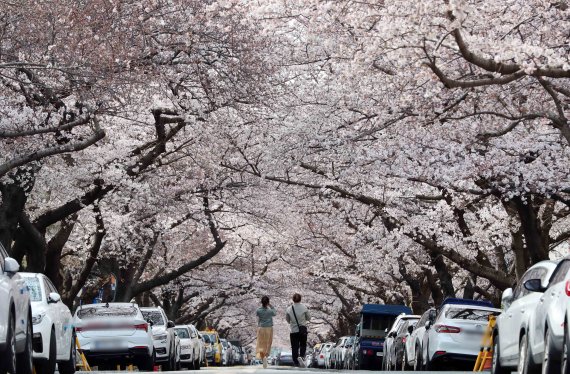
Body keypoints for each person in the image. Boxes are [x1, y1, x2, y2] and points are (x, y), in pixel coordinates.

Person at [286, 293, 311, 367]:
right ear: (300, 299)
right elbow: (309, 318)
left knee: (294, 347)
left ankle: (296, 361)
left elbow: (287, 320)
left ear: (293, 299)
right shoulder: (304, 307)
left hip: (293, 331)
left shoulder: (289, 309)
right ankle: (302, 356)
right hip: (302, 330)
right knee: (303, 344)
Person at [255, 295, 276, 369]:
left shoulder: (258, 310)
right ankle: (266, 356)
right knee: (268, 343)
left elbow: (257, 315)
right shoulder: (270, 311)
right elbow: (275, 313)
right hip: (269, 328)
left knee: (260, 343)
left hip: (261, 328)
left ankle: (262, 356)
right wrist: (270, 305)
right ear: (268, 302)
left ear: (261, 302)